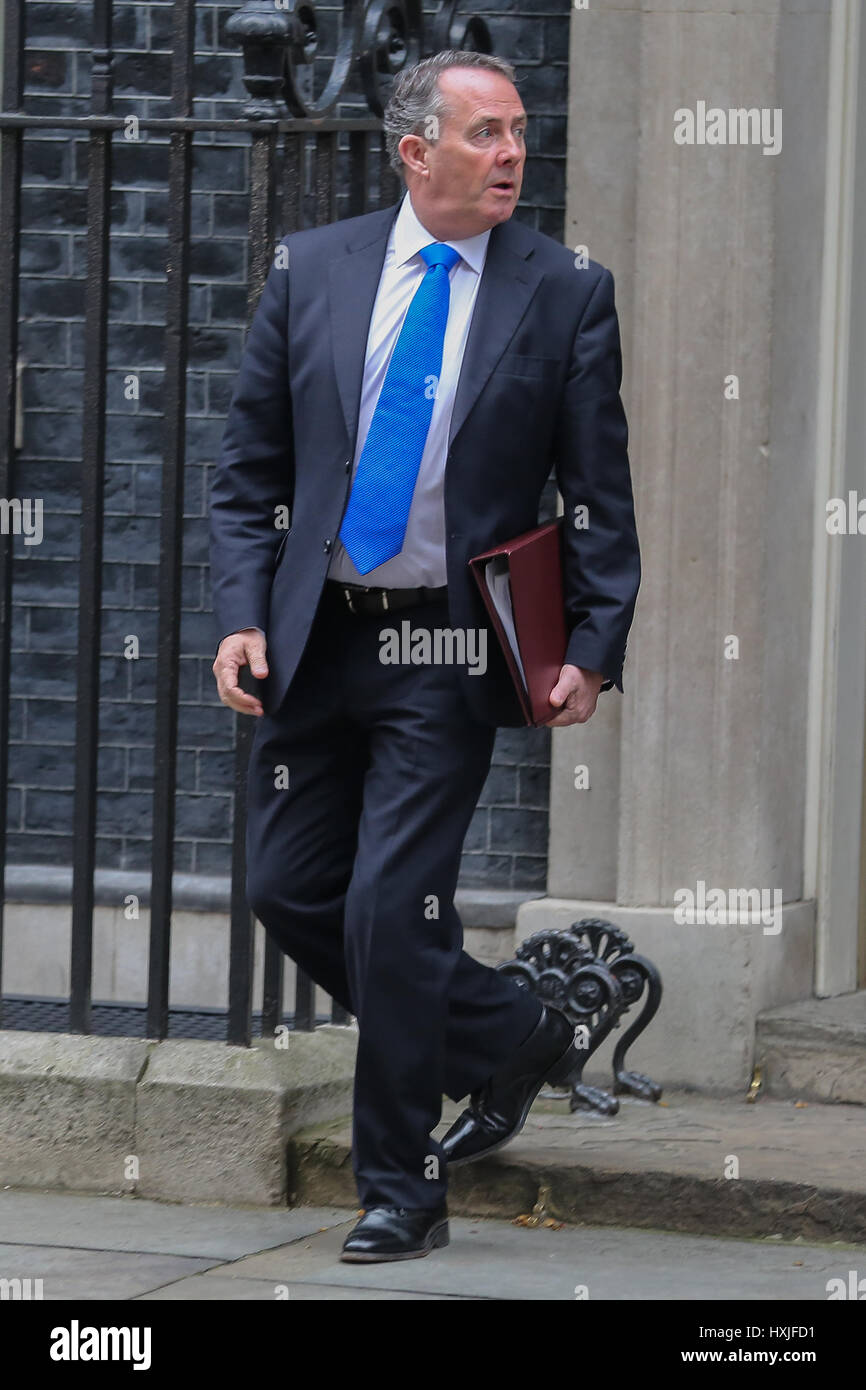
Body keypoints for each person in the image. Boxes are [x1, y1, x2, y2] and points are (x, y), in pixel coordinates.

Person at [209, 49, 640, 1263]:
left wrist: (593, 646)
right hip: (317, 637)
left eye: (517, 132)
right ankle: (512, 1029)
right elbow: (248, 471)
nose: (512, 153)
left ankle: (400, 1185)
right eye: (486, 133)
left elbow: (597, 487)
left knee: (392, 913)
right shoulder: (318, 269)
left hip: (443, 646)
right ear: (417, 152)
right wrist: (241, 611)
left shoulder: (562, 290)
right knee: (289, 892)